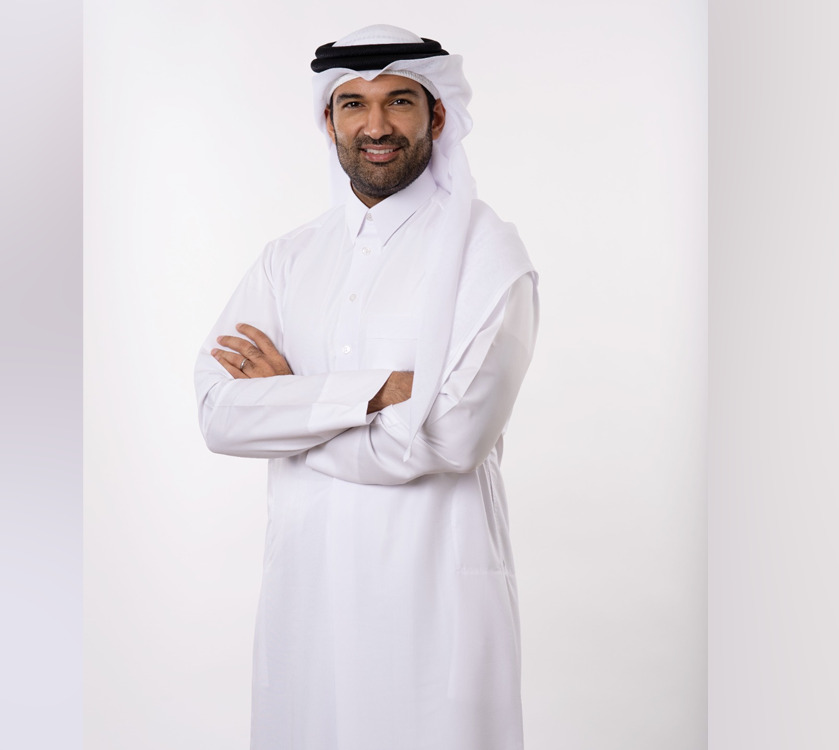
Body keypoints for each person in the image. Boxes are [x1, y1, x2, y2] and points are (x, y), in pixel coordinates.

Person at [194, 24, 539, 750]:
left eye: (398, 102)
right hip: (308, 604)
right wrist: (381, 392)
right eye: (353, 104)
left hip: (434, 605)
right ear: (329, 121)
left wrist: (292, 406)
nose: (375, 126)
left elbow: (451, 437)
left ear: (436, 115)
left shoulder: (488, 254)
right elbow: (220, 415)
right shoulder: (287, 260)